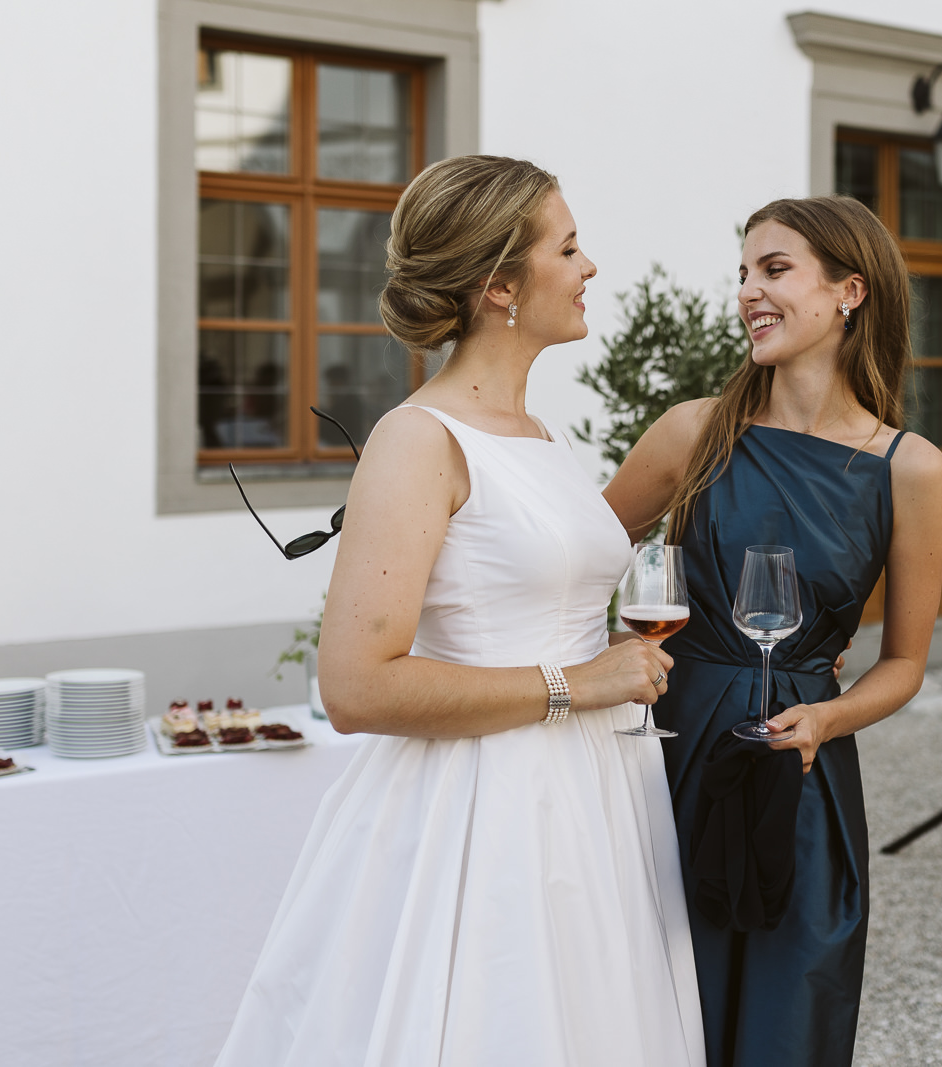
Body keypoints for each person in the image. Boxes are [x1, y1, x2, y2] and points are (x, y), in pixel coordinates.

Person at [216, 155, 704, 1066]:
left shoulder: (538, 434)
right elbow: (356, 687)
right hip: (484, 808)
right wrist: (579, 682)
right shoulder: (417, 440)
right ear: (500, 288)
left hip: (598, 792)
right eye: (569, 247)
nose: (590, 265)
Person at [603, 196, 942, 1067]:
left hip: (801, 767)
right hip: (672, 751)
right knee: (661, 1004)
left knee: (789, 1017)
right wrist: (605, 662)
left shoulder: (909, 468)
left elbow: (905, 663)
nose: (748, 291)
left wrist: (827, 717)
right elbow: (573, 559)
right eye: (743, 273)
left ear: (848, 292)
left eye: (775, 269)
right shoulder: (694, 432)